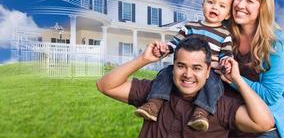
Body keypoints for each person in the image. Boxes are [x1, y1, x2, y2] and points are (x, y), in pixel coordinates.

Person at [96, 37, 274, 138]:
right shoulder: (155, 93)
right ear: (172, 67)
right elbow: (105, 85)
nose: (188, 74)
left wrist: (237, 80)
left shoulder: (221, 105)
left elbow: (264, 123)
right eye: (181, 66)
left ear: (207, 72)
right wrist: (144, 59)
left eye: (196, 68)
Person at [135, 0, 233, 131]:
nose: (215, 7)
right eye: (210, 2)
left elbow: (226, 55)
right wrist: (165, 49)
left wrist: (226, 64)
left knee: (213, 84)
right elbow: (175, 43)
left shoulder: (225, 34)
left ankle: (201, 113)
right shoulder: (190, 27)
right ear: (203, 5)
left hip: (209, 71)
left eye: (222, 6)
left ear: (227, 15)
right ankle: (154, 104)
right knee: (165, 74)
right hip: (184, 66)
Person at [220, 0, 284, 138]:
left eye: (250, 1)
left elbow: (270, 95)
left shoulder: (274, 40)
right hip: (227, 112)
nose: (240, 5)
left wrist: (235, 79)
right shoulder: (222, 30)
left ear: (263, 7)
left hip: (262, 120)